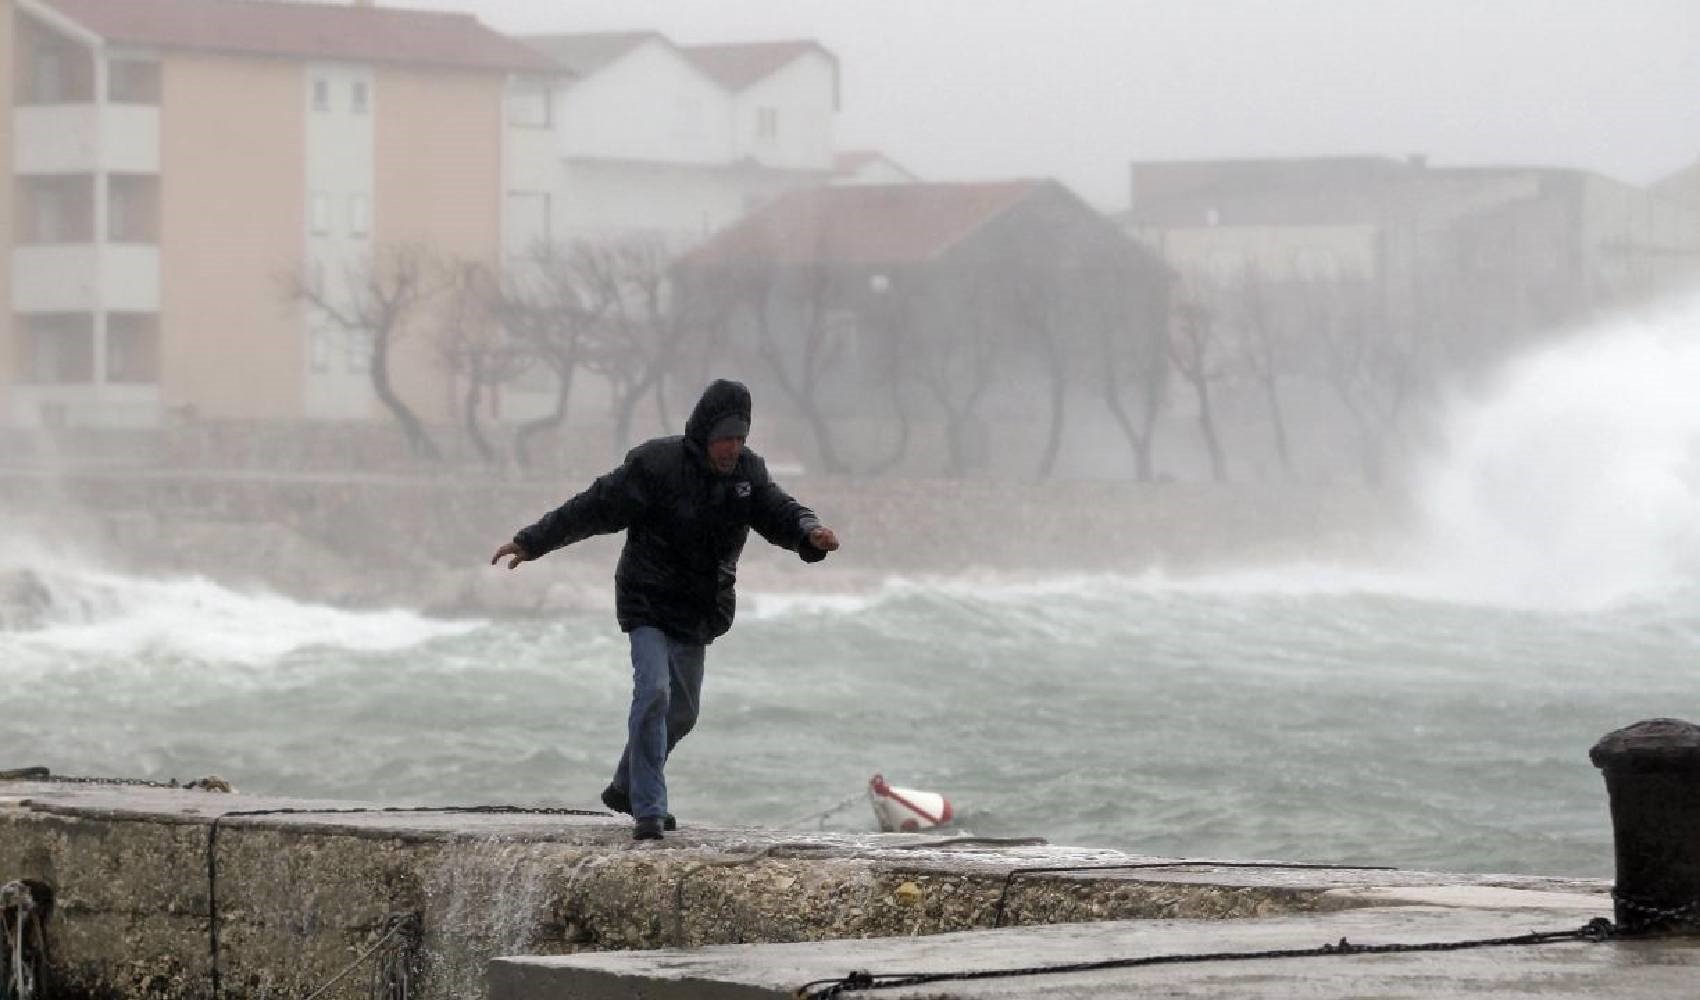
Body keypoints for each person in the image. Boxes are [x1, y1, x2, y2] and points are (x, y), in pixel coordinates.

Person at [490, 379, 840, 840]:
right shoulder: (657, 465)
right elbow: (593, 507)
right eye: (723, 438)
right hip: (648, 600)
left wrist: (808, 532)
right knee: (654, 692)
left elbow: (779, 510)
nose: (731, 447)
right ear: (702, 433)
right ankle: (649, 810)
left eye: (739, 437)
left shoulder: (746, 475)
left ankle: (624, 786)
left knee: (683, 713)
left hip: (697, 608)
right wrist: (532, 541)